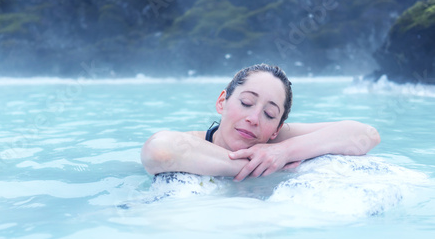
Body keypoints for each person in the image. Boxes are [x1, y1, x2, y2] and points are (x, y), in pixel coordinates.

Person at [141, 63, 381, 181]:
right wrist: (254, 168)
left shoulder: (277, 140)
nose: (254, 119)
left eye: (269, 114)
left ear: (277, 129)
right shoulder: (191, 142)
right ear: (222, 102)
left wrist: (284, 151)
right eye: (246, 102)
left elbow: (366, 135)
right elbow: (159, 150)